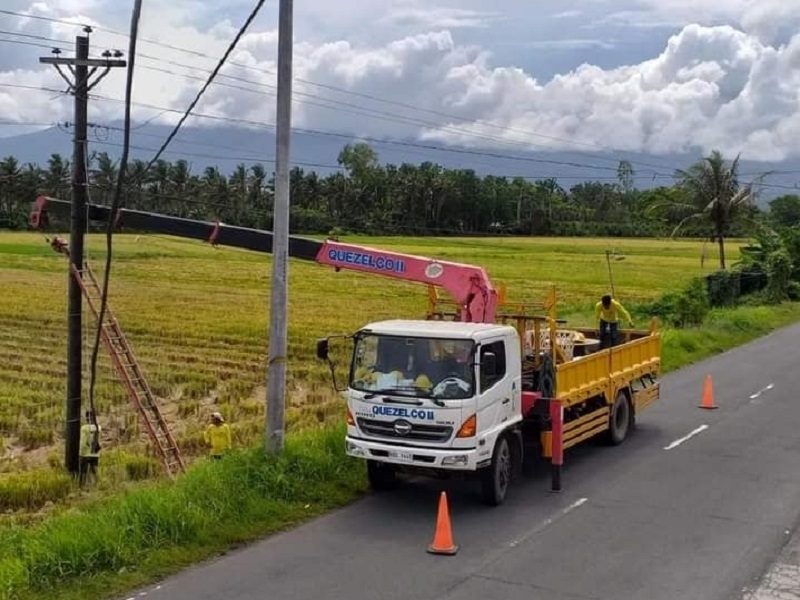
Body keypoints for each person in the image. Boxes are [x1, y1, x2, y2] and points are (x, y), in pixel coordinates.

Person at [79, 409, 101, 486]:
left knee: (83, 472)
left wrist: (80, 453)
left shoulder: (84, 428)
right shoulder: (98, 427)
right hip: (95, 453)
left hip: (85, 453)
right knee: (94, 471)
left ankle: (82, 486)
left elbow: (83, 443)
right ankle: (97, 485)